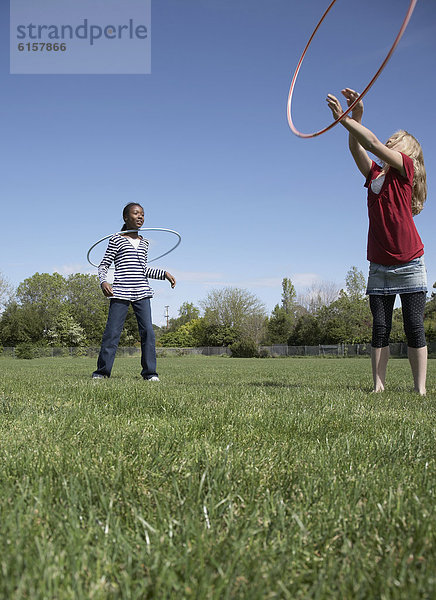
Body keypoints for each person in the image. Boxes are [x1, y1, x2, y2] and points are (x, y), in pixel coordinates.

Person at [326, 88, 428, 395]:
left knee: (414, 327)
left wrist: (342, 118)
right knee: (380, 328)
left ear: (407, 151)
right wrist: (356, 117)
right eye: (388, 141)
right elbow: (359, 149)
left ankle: (420, 389)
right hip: (379, 264)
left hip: (410, 261)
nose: (387, 142)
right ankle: (378, 387)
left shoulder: (405, 170)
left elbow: (369, 142)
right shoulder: (375, 175)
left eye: (394, 141)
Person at [92, 202, 176, 381]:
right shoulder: (116, 239)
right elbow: (103, 265)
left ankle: (150, 373)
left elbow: (142, 269)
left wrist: (165, 274)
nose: (140, 217)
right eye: (136, 214)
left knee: (148, 332)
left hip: (142, 292)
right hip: (120, 291)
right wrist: (103, 281)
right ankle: (102, 372)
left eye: (143, 214)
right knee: (112, 332)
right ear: (126, 217)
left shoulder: (145, 243)